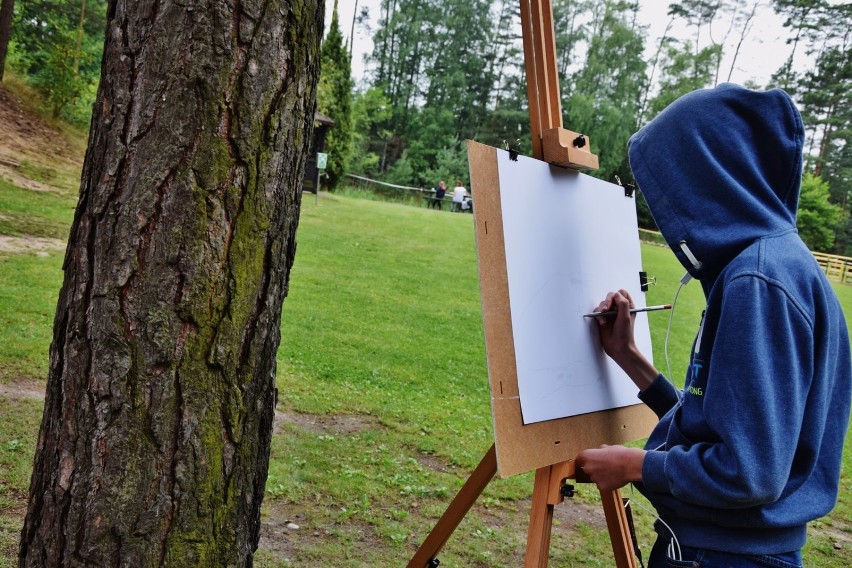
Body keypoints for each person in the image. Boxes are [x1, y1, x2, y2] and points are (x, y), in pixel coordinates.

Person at [576, 84, 851, 567]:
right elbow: (731, 426)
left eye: (674, 183)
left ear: (711, 176)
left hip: (723, 556)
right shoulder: (776, 263)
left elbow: (748, 471)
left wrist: (633, 464)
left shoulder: (758, 279)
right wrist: (632, 360)